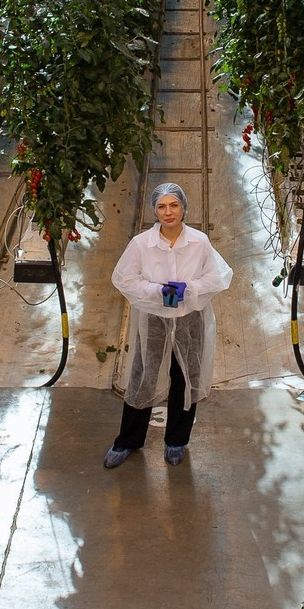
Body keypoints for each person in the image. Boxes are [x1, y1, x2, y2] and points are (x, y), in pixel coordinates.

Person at [106, 182, 232, 468]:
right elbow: (124, 278)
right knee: (143, 376)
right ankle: (127, 440)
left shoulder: (199, 242)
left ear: (184, 207)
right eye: (161, 206)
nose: (168, 212)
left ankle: (176, 441)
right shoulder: (141, 244)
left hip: (189, 321)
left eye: (174, 205)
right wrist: (157, 291)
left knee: (186, 377)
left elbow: (219, 276)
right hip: (153, 321)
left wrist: (189, 288)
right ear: (155, 211)